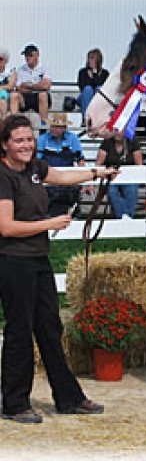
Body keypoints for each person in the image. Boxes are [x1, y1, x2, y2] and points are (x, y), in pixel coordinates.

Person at [0, 115, 117, 424]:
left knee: (50, 328)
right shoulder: (3, 176)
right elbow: (6, 227)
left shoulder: (35, 169)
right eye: (19, 140)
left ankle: (68, 398)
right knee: (20, 331)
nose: (26, 145)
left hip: (38, 260)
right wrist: (50, 224)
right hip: (13, 262)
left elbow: (62, 177)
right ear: (5, 145)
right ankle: (14, 403)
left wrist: (98, 171)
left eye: (29, 139)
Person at [36, 113, 86, 217]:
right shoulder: (42, 139)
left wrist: (84, 180)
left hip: (68, 177)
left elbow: (80, 160)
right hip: (48, 176)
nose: (55, 129)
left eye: (59, 127)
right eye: (54, 126)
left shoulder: (73, 138)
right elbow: (37, 160)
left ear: (65, 128)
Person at [95, 130, 143, 219]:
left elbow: (139, 164)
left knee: (131, 190)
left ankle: (126, 218)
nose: (117, 133)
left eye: (120, 131)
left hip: (130, 176)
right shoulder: (107, 142)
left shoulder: (133, 141)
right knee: (112, 192)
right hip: (111, 176)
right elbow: (99, 163)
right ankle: (123, 218)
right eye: (116, 130)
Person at [9, 45, 52, 124]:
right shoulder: (20, 70)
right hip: (25, 97)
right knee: (14, 95)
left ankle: (43, 125)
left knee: (43, 94)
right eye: (26, 55)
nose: (27, 58)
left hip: (39, 98)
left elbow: (46, 86)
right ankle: (13, 124)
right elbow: (18, 87)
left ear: (37, 55)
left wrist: (29, 85)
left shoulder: (44, 68)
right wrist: (37, 86)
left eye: (30, 55)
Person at [76, 49, 109, 125]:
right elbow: (82, 87)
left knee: (99, 89)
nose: (90, 61)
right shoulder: (82, 72)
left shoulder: (105, 73)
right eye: (89, 58)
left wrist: (95, 76)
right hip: (84, 97)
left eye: (92, 58)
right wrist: (90, 77)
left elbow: (104, 89)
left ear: (98, 60)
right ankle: (86, 119)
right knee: (88, 89)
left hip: (97, 98)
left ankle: (97, 119)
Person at [0, 48, 16, 119]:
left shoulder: (11, 72)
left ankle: (3, 121)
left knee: (2, 95)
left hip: (6, 96)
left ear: (6, 60)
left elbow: (10, 86)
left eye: (0, 59)